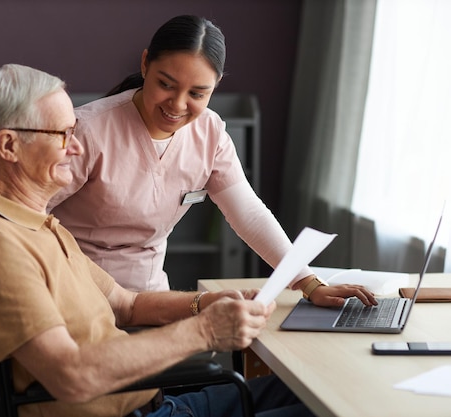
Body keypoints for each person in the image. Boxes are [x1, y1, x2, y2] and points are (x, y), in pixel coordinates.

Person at [0, 63, 315, 417]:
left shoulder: (37, 227)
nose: (76, 147)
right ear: (8, 146)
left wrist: (206, 304)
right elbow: (70, 375)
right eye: (64, 135)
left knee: (308, 391)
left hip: (149, 402)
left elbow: (127, 305)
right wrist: (206, 330)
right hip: (133, 410)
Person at [47, 15, 377, 307]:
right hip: (76, 294)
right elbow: (23, 215)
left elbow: (248, 213)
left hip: (150, 298)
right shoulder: (87, 130)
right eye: (166, 84)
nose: (177, 104)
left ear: (215, 87)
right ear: (145, 63)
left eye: (197, 93)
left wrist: (308, 283)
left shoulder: (210, 132)